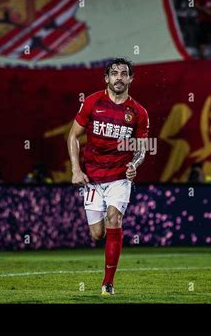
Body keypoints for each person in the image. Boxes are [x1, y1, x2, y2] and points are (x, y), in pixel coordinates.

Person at [67, 58, 149, 296]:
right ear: (107, 78)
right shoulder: (92, 102)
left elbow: (142, 148)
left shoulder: (139, 112)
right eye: (114, 73)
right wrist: (75, 169)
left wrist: (134, 164)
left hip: (120, 176)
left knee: (114, 219)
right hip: (92, 176)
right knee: (97, 234)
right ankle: (107, 266)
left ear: (131, 79)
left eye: (124, 74)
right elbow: (73, 137)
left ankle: (108, 284)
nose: (119, 78)